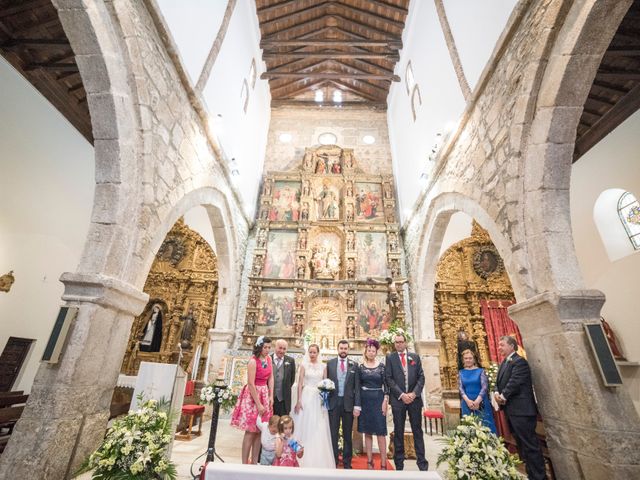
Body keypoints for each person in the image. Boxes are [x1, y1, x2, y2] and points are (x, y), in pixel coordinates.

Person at [494, 336, 546, 480]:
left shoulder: (519, 362)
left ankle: (539, 476)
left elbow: (515, 381)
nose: (499, 347)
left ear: (511, 346)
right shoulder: (504, 362)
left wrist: (503, 396)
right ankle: (531, 474)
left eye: (502, 345)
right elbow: (498, 382)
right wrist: (497, 392)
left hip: (522, 411)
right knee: (522, 447)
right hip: (512, 411)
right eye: (498, 345)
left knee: (530, 446)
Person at [385, 333, 428, 471]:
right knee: (398, 431)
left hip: (414, 400)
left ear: (405, 342)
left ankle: (422, 463)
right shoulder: (390, 358)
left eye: (401, 342)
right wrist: (402, 394)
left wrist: (414, 393)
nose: (398, 344)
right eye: (396, 342)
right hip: (399, 400)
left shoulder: (414, 357)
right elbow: (389, 379)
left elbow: (421, 377)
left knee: (417, 431)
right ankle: (399, 464)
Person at [230, 336, 274, 464]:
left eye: (269, 347)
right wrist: (259, 404)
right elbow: (250, 383)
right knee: (250, 431)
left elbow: (270, 378)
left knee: (260, 430)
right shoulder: (253, 361)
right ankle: (244, 463)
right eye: (265, 347)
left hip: (264, 393)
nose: (267, 350)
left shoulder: (269, 359)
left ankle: (254, 462)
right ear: (259, 347)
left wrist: (270, 396)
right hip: (252, 396)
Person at [292, 344, 335, 468]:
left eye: (314, 352)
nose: (312, 354)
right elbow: (300, 383)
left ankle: (318, 457)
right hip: (306, 396)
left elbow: (325, 382)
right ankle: (297, 455)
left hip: (318, 398)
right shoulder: (304, 365)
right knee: (304, 423)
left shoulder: (323, 366)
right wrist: (299, 400)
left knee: (318, 425)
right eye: (310, 352)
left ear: (318, 353)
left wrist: (325, 397)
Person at [326, 339, 361, 469]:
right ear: (337, 349)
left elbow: (357, 387)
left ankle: (347, 462)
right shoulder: (330, 364)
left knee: (347, 434)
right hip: (334, 403)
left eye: (345, 349)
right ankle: (333, 461)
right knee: (333, 434)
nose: (343, 351)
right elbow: (325, 384)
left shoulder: (354, 365)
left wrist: (357, 405)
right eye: (341, 348)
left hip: (348, 404)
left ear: (348, 350)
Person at [357, 339, 388, 470]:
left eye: (373, 351)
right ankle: (369, 461)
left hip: (378, 400)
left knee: (381, 432)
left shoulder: (382, 367)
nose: (371, 352)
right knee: (367, 432)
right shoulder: (360, 367)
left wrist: (385, 401)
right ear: (366, 351)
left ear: (376, 352)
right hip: (365, 401)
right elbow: (357, 387)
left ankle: (383, 462)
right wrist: (358, 405)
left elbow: (386, 385)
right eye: (369, 350)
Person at [458, 349, 497, 433]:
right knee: (470, 427)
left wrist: (477, 401)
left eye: (470, 358)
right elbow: (461, 388)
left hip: (481, 402)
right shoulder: (461, 372)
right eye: (466, 358)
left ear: (474, 359)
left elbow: (484, 387)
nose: (468, 360)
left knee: (484, 425)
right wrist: (468, 401)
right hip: (467, 403)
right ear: (463, 360)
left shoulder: (480, 371)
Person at [271, 339, 296, 416]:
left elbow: (292, 379)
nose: (282, 351)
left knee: (283, 423)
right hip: (270, 398)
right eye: (280, 348)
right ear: (275, 347)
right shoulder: (268, 359)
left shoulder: (290, 361)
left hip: (283, 399)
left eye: (284, 349)